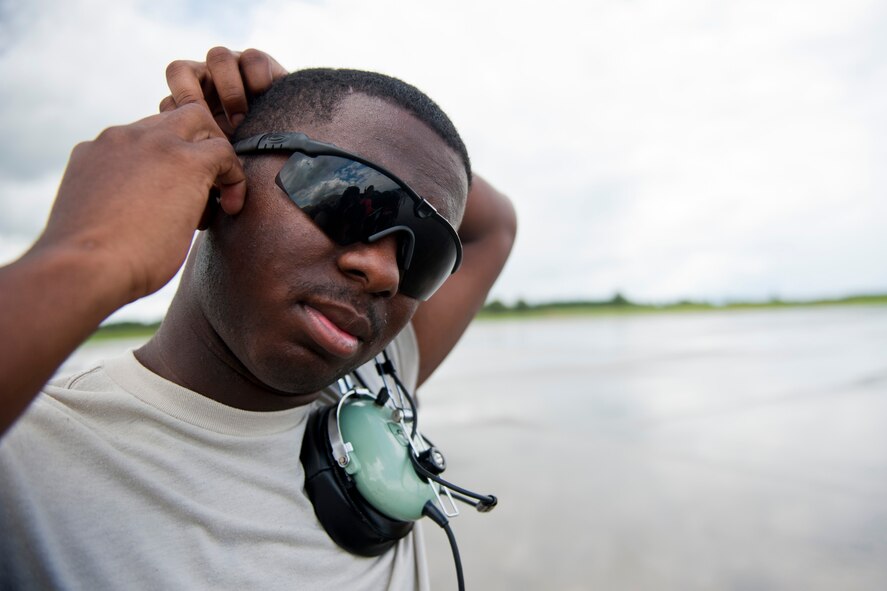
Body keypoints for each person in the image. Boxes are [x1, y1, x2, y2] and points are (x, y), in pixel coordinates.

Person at [0, 48, 516, 589]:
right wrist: (90, 256)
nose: (385, 272)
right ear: (216, 183)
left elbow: (496, 223)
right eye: (347, 195)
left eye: (427, 252)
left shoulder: (373, 380)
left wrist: (289, 104)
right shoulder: (31, 459)